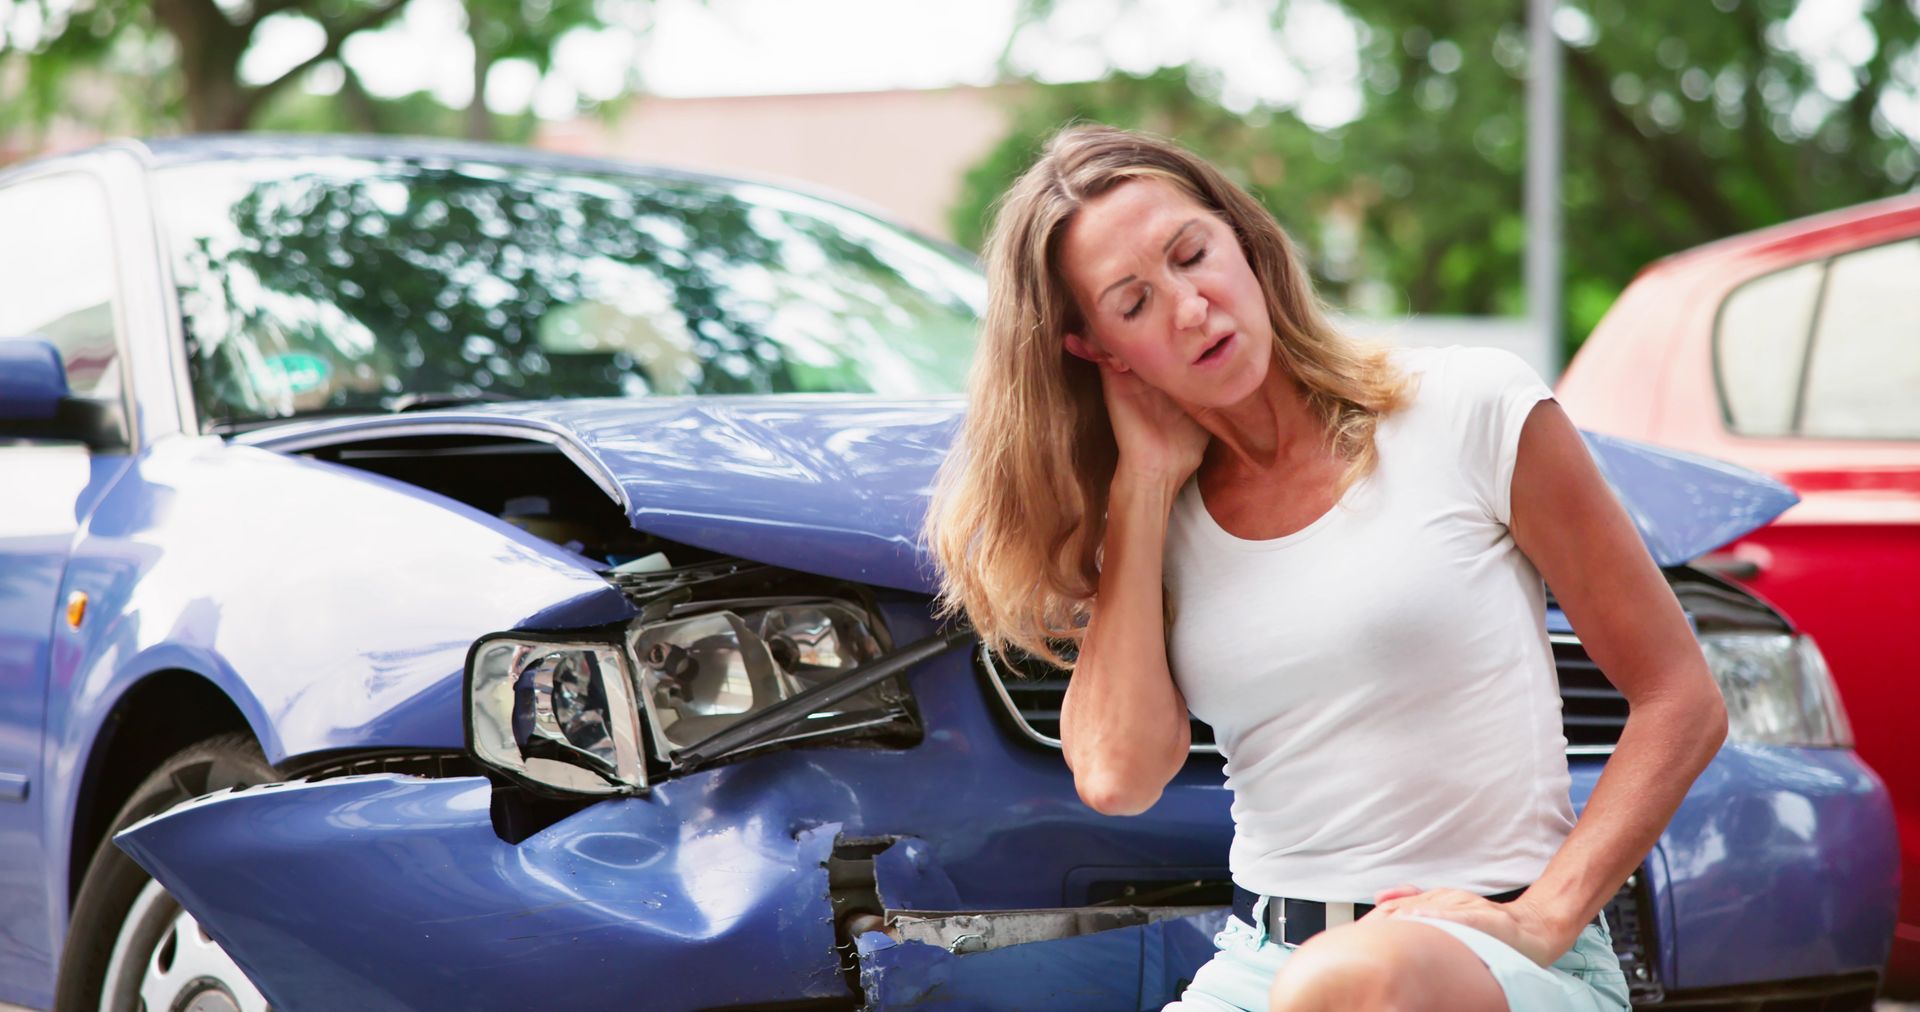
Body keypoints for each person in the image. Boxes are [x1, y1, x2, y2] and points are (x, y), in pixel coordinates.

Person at [923, 124, 1728, 1011]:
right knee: (1325, 983)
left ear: (1245, 240)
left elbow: (1681, 698)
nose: (1191, 308)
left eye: (1193, 255)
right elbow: (1117, 775)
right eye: (1134, 303)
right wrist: (1145, 486)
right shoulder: (1153, 526)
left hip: (1500, 962)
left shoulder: (1469, 408)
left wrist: (1547, 916)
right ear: (1101, 352)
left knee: (1348, 983)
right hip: (1261, 962)